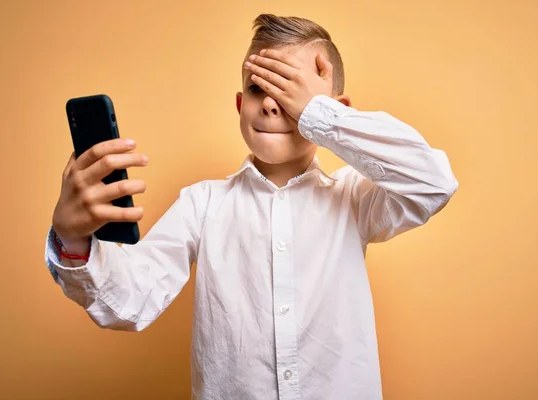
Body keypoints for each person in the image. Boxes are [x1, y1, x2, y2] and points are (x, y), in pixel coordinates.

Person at [45, 13, 458, 400]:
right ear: (241, 105)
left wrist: (319, 114)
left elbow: (433, 183)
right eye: (261, 87)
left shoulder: (353, 198)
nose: (273, 104)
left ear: (334, 109)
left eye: (291, 90)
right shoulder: (202, 204)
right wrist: (72, 238)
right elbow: (133, 300)